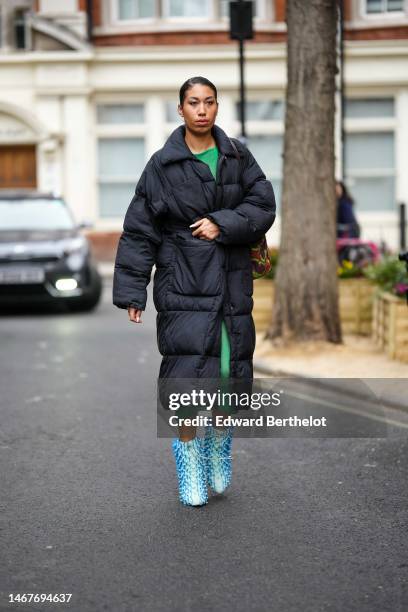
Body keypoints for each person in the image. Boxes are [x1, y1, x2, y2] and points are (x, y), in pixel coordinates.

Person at [112, 76, 276, 507]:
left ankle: (217, 448)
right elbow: (138, 231)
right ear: (180, 109)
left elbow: (263, 206)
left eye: (209, 102)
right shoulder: (161, 166)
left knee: (226, 375)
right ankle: (188, 463)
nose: (202, 110)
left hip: (231, 282)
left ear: (217, 108)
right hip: (182, 282)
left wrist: (223, 222)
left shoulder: (238, 156)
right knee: (185, 381)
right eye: (193, 103)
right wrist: (133, 291)